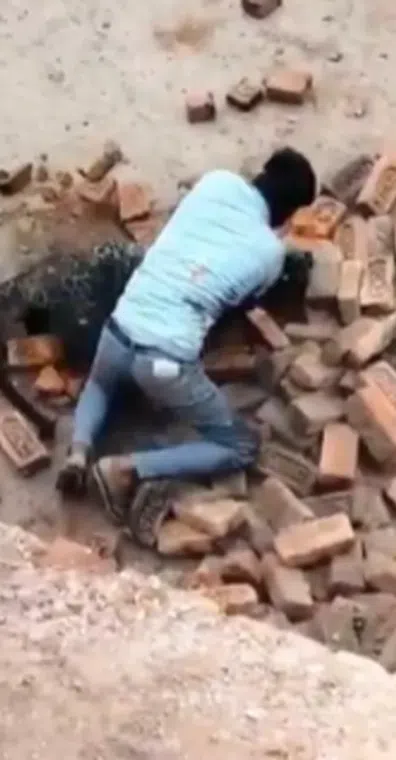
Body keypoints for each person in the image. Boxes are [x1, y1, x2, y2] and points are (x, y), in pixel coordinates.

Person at [56, 148, 318, 523]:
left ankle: (78, 453)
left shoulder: (217, 181)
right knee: (240, 446)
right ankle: (125, 469)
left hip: (122, 323)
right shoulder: (269, 252)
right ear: (288, 211)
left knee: (100, 384)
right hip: (166, 360)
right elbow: (239, 301)